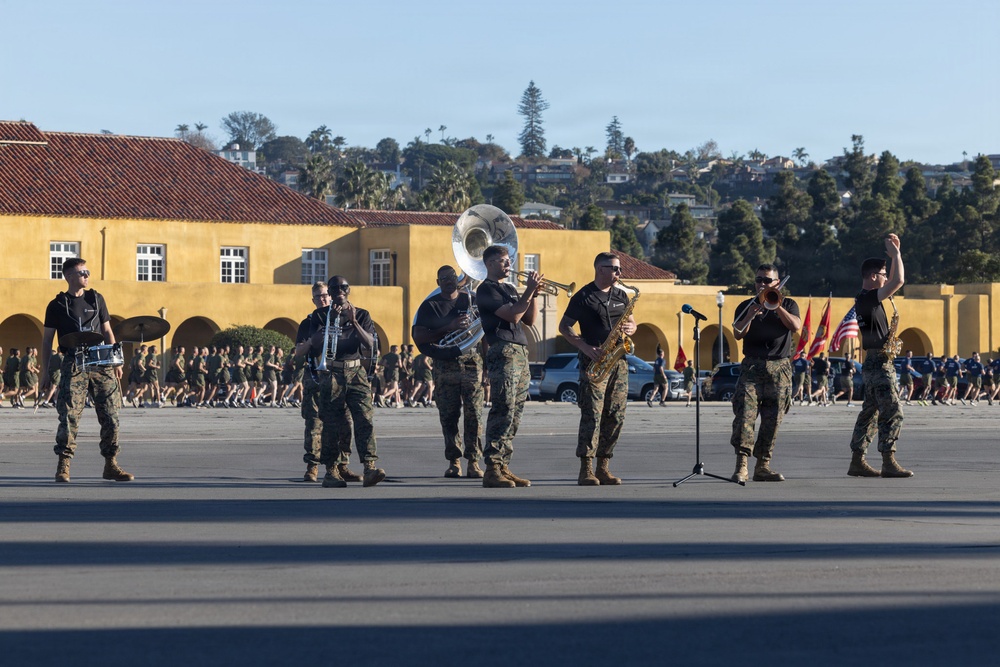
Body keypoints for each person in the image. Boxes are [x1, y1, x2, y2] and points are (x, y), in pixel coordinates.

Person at [39, 258, 133, 483]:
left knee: (111, 414)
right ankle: (64, 465)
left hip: (100, 362)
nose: (87, 276)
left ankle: (111, 465)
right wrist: (45, 372)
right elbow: (47, 341)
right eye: (82, 273)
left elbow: (108, 331)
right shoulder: (57, 305)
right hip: (73, 362)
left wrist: (116, 362)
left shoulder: (97, 299)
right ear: (69, 276)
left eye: (87, 272)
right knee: (69, 415)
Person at [294, 275, 385, 488]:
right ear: (331, 292)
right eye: (335, 288)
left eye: (343, 287)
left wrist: (353, 321)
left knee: (364, 419)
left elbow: (370, 343)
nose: (339, 292)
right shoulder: (318, 315)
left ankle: (369, 467)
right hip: (331, 373)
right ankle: (331, 471)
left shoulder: (362, 314)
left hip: (356, 372)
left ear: (349, 289)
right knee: (331, 424)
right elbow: (313, 344)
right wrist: (326, 326)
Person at [559, 252, 636, 486]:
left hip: (618, 361)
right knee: (592, 414)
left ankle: (604, 466)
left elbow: (631, 321)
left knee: (616, 414)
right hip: (593, 360)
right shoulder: (584, 296)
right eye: (614, 269)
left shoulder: (622, 295)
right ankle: (586, 468)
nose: (619, 273)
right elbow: (565, 326)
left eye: (619, 269)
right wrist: (583, 345)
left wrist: (633, 326)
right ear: (599, 269)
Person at [728, 263, 801, 483]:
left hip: (779, 368)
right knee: (745, 417)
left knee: (773, 419)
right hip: (752, 366)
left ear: (777, 283)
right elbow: (738, 333)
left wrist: (776, 305)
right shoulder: (745, 304)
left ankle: (763, 466)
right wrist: (751, 313)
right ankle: (742, 466)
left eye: (767, 281)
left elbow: (796, 326)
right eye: (759, 280)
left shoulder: (788, 303)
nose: (762, 284)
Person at [412, 265, 487, 479]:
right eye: (443, 278)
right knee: (448, 415)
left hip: (472, 363)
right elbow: (419, 337)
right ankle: (454, 461)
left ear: (458, 278)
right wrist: (449, 327)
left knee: (474, 414)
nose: (448, 280)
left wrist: (488, 366)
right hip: (445, 364)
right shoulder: (430, 306)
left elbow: (484, 332)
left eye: (452, 277)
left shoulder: (471, 300)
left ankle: (473, 461)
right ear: (438, 282)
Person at [847, 234, 912, 478]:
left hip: (875, 361)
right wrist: (896, 255)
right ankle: (888, 460)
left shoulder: (865, 300)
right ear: (874, 276)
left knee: (871, 412)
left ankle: (857, 460)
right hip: (879, 363)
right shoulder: (867, 299)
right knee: (893, 411)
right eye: (882, 274)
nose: (886, 277)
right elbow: (899, 280)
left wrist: (896, 254)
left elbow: (893, 278)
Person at [476, 244, 541, 488]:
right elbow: (512, 315)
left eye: (508, 260)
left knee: (516, 411)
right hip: (503, 349)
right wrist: (529, 291)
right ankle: (492, 468)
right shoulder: (486, 290)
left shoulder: (510, 289)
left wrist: (532, 294)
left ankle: (503, 464)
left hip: (520, 351)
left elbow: (529, 319)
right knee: (503, 407)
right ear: (490, 263)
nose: (508, 265)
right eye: (503, 261)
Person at [295, 281, 359, 483]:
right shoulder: (308, 322)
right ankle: (312, 466)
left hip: (341, 375)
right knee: (314, 423)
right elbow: (298, 352)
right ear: (313, 300)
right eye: (318, 297)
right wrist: (313, 340)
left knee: (345, 421)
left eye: (325, 295)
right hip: (316, 375)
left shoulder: (346, 316)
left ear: (331, 296)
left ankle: (342, 465)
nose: (322, 299)